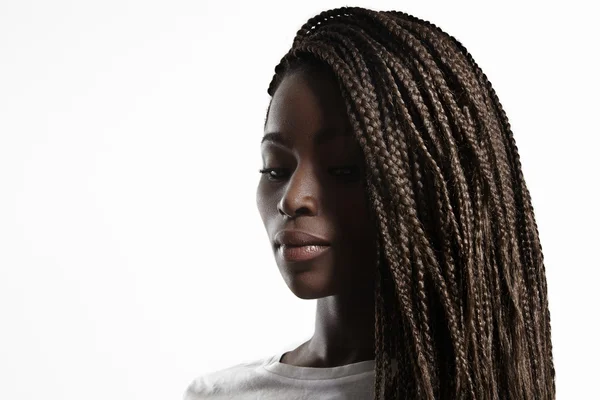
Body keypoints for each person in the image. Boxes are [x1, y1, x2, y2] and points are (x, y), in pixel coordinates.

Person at [184, 6, 555, 400]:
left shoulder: (478, 388)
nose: (292, 199)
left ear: (432, 190)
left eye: (343, 171)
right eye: (276, 169)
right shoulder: (215, 394)